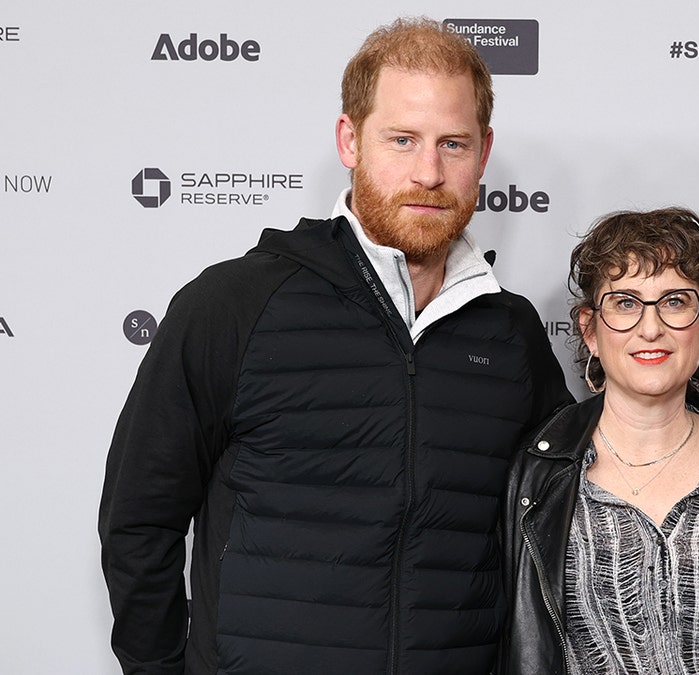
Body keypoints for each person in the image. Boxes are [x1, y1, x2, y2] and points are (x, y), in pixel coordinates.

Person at [98, 17, 571, 674]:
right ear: (350, 139)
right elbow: (138, 520)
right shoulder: (232, 306)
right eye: (402, 140)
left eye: (453, 145)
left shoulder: (512, 336)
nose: (429, 172)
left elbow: (577, 509)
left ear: (483, 153)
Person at [501, 208, 699, 674]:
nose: (650, 327)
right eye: (625, 302)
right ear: (589, 330)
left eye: (675, 301)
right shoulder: (533, 473)